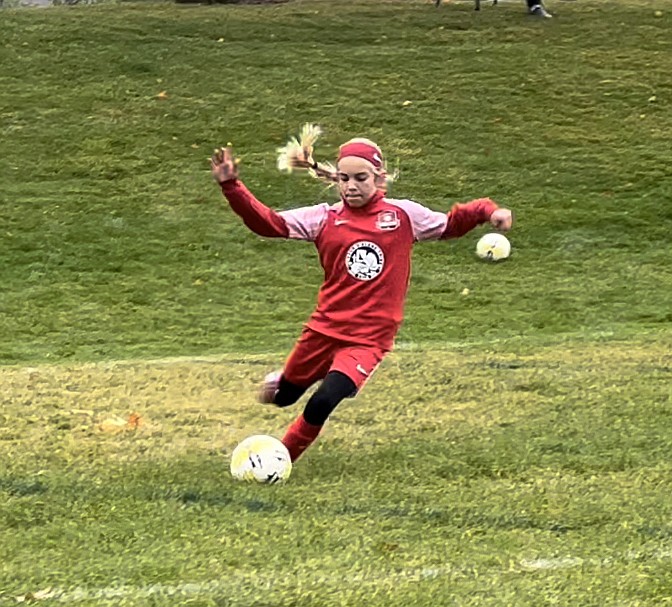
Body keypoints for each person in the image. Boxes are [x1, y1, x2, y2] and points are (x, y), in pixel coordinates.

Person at [210, 129, 513, 463]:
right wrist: (231, 187)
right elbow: (269, 224)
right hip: (324, 330)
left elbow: (451, 224)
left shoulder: (403, 216)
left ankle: (279, 461)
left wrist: (487, 210)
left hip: (368, 338)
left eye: (360, 178)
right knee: (283, 397)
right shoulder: (323, 217)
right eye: (344, 178)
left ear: (379, 177)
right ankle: (283, 382)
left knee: (324, 400)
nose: (351, 186)